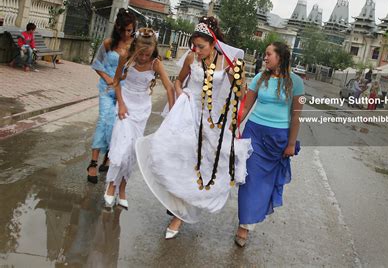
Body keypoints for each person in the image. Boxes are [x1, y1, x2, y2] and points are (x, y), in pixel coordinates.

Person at [135, 16, 252, 239]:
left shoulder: (227, 63)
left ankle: (179, 215)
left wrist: (234, 79)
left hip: (210, 120)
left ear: (213, 42)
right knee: (172, 156)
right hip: (188, 113)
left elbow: (237, 94)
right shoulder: (191, 58)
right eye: (194, 46)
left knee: (201, 167)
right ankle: (176, 205)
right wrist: (182, 95)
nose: (196, 50)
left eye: (201, 47)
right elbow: (179, 81)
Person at [234, 41, 304, 247]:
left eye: (268, 54)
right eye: (264, 55)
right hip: (254, 132)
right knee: (249, 180)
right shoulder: (259, 78)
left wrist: (291, 144)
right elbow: (245, 107)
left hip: (278, 138)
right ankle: (243, 227)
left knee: (265, 184)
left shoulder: (296, 82)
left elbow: (296, 116)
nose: (264, 58)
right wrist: (232, 126)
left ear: (280, 57)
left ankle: (249, 221)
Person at [103, 27, 175, 210]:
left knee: (132, 151)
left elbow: (169, 87)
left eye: (147, 54)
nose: (143, 57)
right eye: (141, 54)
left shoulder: (156, 64)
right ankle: (111, 186)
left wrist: (174, 110)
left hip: (142, 110)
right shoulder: (126, 57)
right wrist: (121, 104)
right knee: (121, 146)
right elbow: (116, 81)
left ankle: (123, 189)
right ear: (135, 47)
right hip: (125, 105)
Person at [86, 9, 137, 184]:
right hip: (107, 89)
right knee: (104, 121)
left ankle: (107, 158)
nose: (126, 33)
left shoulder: (135, 45)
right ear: (117, 27)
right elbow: (97, 64)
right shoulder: (108, 43)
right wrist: (109, 80)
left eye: (130, 30)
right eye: (123, 30)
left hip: (125, 92)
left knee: (117, 125)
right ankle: (93, 163)